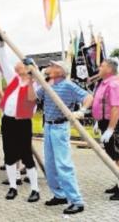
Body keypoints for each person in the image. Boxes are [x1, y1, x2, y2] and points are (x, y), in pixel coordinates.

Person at [29, 61, 93, 215]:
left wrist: (82, 111)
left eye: (53, 66)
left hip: (60, 127)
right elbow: (31, 98)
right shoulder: (47, 84)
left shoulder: (68, 85)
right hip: (48, 126)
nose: (49, 68)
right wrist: (31, 80)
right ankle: (60, 195)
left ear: (60, 71)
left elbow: (88, 97)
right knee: (50, 164)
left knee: (63, 164)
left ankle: (77, 201)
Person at [0, 55, 40, 203]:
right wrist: (0, 43)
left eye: (19, 64)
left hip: (23, 122)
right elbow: (3, 60)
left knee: (26, 155)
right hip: (8, 121)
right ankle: (13, 187)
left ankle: (35, 189)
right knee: (9, 154)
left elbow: (32, 98)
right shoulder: (14, 79)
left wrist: (31, 81)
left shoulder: (37, 83)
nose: (16, 66)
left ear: (27, 68)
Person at [92, 60, 119, 200]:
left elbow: (115, 107)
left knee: (118, 154)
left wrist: (110, 129)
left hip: (112, 122)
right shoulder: (103, 82)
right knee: (113, 154)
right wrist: (98, 121)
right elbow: (101, 103)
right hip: (105, 121)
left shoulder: (114, 84)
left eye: (101, 66)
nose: (99, 68)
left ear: (109, 69)